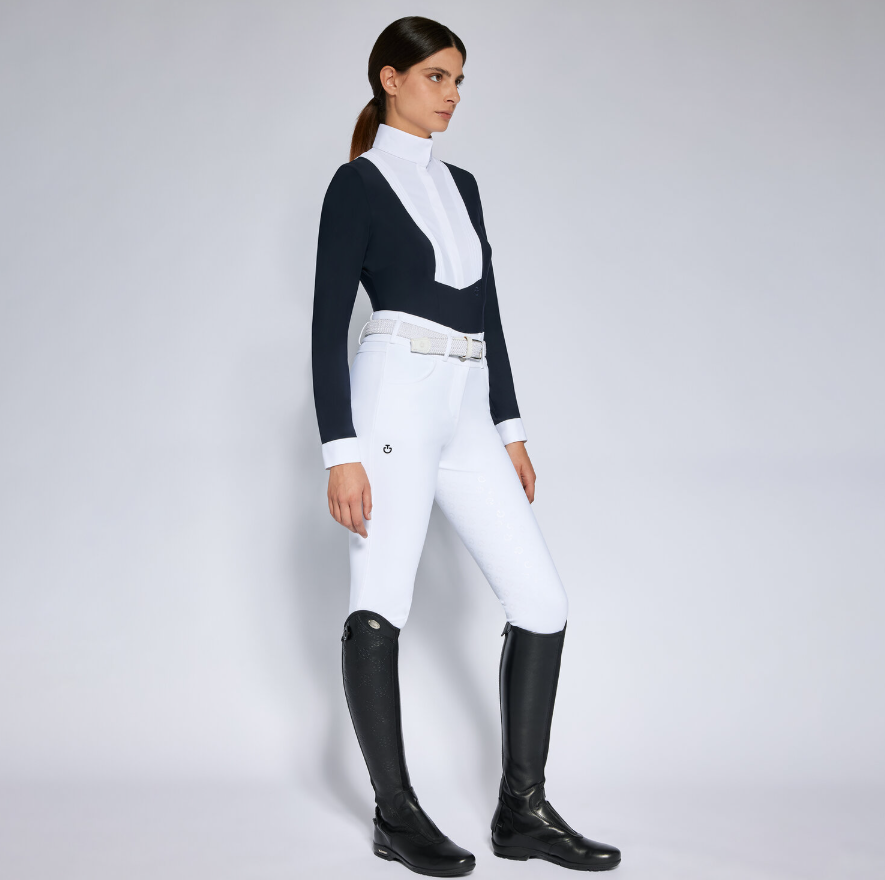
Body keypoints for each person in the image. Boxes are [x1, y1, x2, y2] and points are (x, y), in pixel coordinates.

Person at [311, 15, 621, 876]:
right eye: (436, 77)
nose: (451, 95)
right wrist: (340, 450)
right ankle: (396, 814)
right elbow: (327, 325)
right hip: (393, 399)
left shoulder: (465, 187)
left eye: (457, 80)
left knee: (541, 602)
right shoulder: (357, 185)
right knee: (380, 600)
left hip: (468, 401)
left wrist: (510, 429)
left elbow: (491, 315)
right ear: (390, 79)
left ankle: (523, 811)